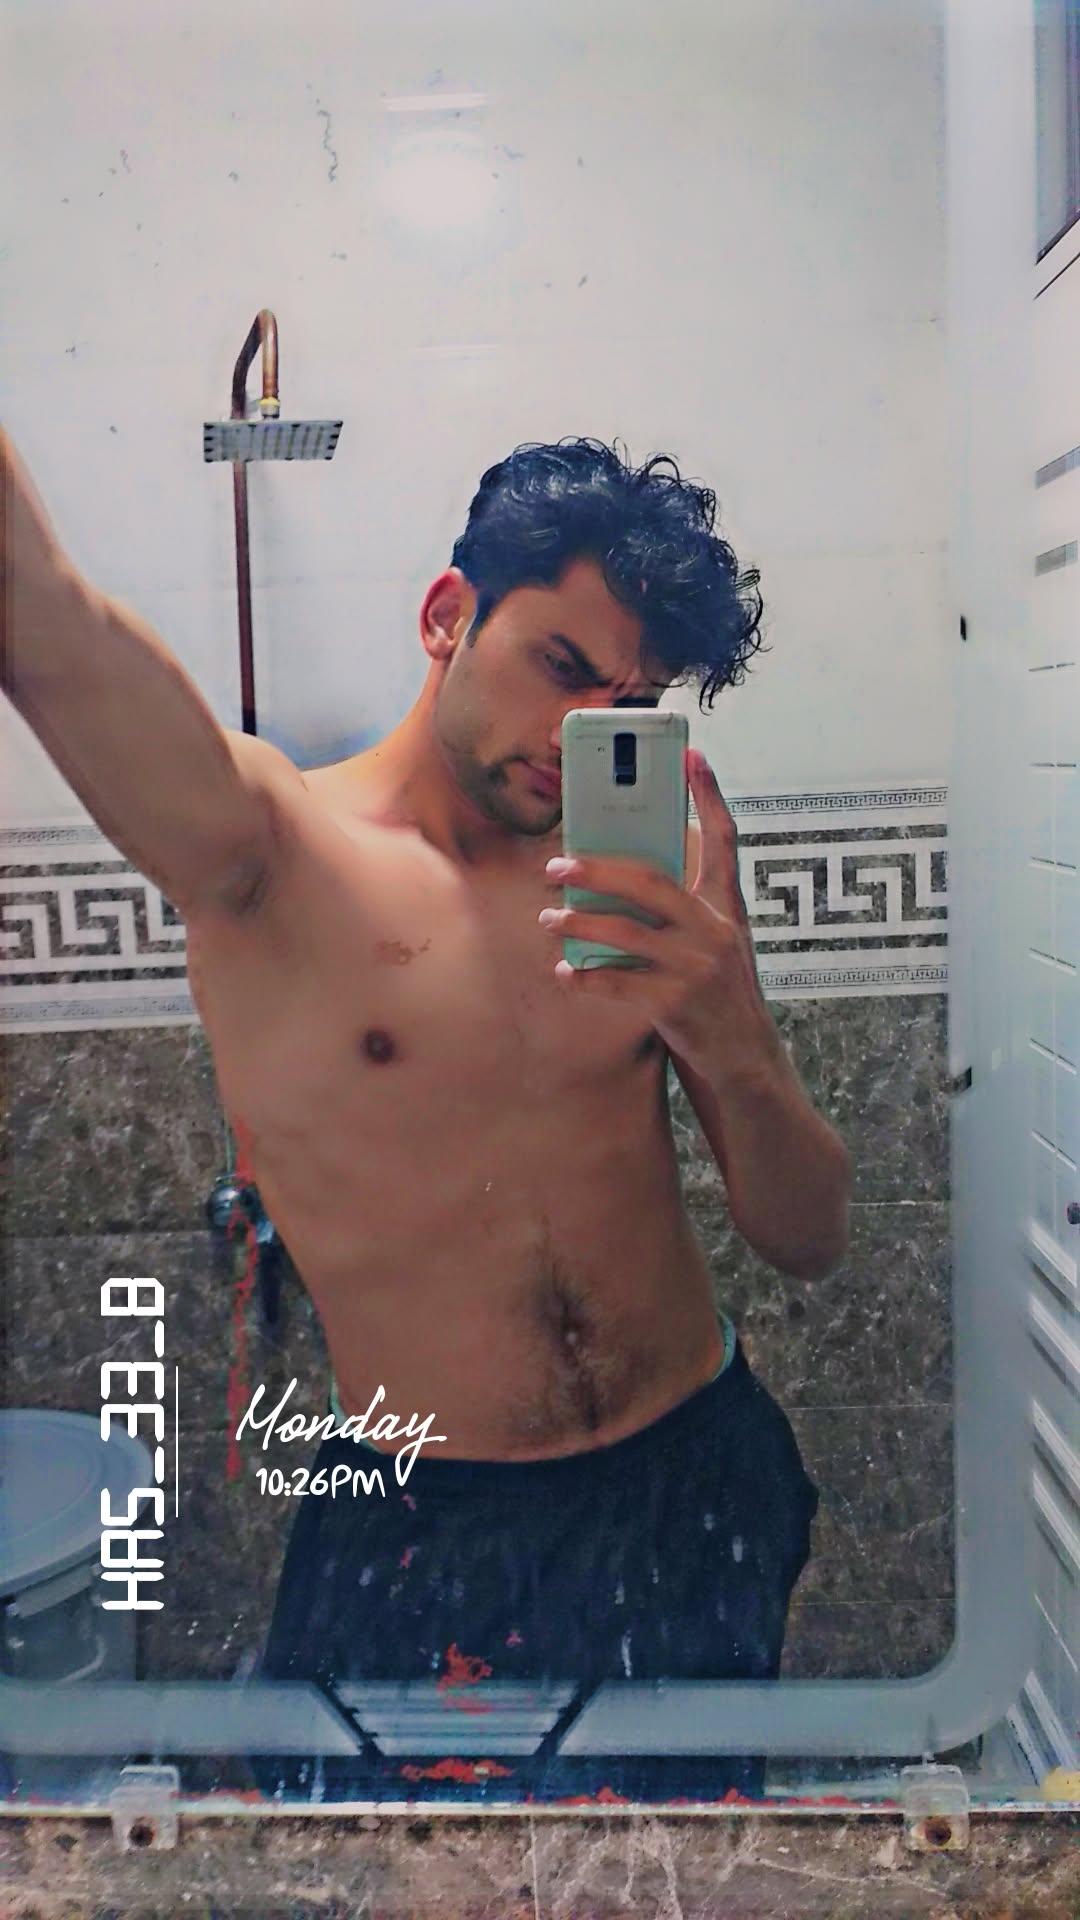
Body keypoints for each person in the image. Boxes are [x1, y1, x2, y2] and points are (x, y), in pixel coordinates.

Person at [2, 431, 849, 1796]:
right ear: (449, 615)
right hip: (425, 1516)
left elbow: (809, 1237)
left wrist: (733, 1029)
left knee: (681, 1861)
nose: (580, 734)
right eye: (561, 666)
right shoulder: (267, 850)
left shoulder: (645, 874)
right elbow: (39, 611)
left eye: (629, 702)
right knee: (406, 1876)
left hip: (698, 1471)